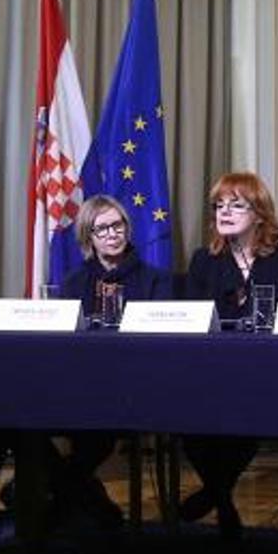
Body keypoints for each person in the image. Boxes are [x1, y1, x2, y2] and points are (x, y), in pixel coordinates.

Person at [179, 173, 278, 539]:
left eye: (236, 205)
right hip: (212, 371)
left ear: (260, 214)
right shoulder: (204, 260)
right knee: (185, 410)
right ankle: (221, 497)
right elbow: (192, 321)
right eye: (219, 205)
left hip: (269, 373)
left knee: (250, 407)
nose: (224, 212)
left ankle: (213, 493)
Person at [52, 196, 173, 532]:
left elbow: (164, 343)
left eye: (117, 225)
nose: (112, 234)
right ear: (88, 237)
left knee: (97, 431)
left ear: (127, 229)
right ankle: (85, 502)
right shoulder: (74, 282)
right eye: (102, 228)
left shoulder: (155, 280)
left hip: (137, 385)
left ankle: (55, 493)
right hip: (81, 385)